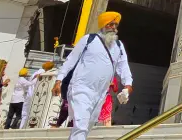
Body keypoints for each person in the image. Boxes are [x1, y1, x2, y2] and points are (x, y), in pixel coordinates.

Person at [52, 12, 133, 140]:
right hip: (81, 88)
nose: (114, 27)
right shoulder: (89, 40)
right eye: (110, 24)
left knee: (87, 127)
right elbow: (71, 60)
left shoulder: (119, 46)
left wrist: (128, 85)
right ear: (103, 25)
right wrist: (59, 80)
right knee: (81, 125)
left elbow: (123, 67)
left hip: (101, 93)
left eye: (115, 25)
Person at [23, 61, 55, 128]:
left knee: (25, 113)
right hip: (36, 95)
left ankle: (22, 126)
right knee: (31, 114)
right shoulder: (43, 74)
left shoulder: (35, 72)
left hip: (29, 94)